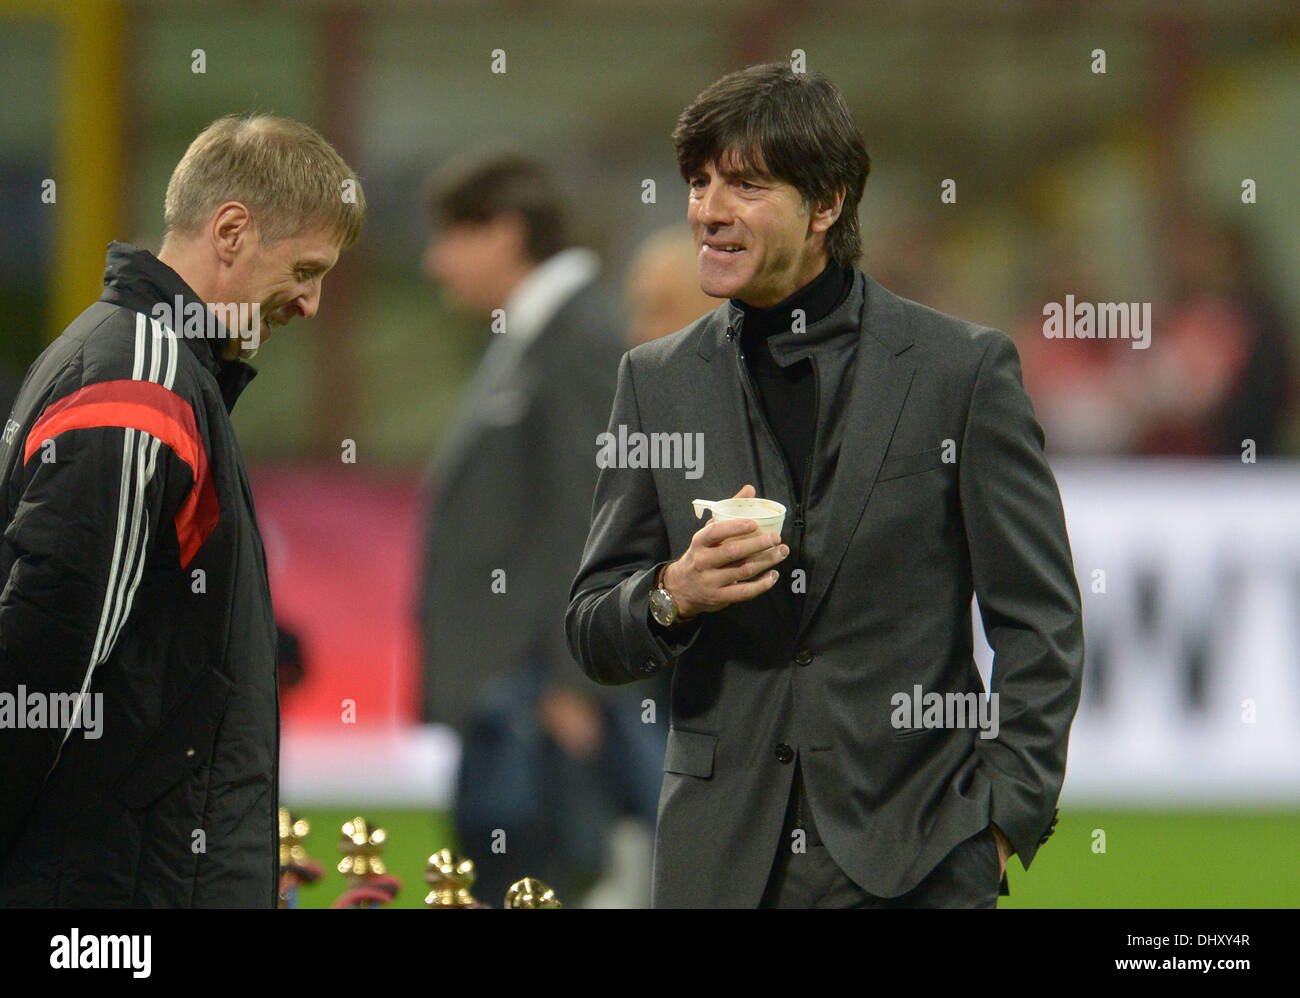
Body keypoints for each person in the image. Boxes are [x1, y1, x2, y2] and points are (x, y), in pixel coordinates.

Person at [566, 64, 1085, 908]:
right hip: (720, 865)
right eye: (699, 183)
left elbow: (1040, 621)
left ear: (827, 204)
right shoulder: (654, 381)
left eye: (745, 184)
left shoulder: (961, 372)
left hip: (919, 861)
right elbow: (593, 626)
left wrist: (998, 825)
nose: (709, 209)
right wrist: (674, 594)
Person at [0, 114, 365, 907]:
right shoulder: (143, 378)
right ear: (231, 230)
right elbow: (47, 649)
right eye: (306, 268)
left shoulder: (142, 361)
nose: (310, 303)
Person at [417, 152, 661, 905]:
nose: (434, 261)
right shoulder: (537, 335)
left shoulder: (578, 338)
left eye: (452, 234)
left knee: (548, 885)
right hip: (517, 700)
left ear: (506, 233)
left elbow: (597, 514)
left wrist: (577, 683)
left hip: (543, 707)